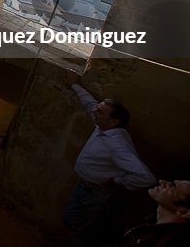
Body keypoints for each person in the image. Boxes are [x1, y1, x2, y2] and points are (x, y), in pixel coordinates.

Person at [63, 69, 156, 246]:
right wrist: (74, 84)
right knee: (70, 219)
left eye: (100, 111)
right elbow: (90, 104)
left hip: (97, 194)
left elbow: (146, 177)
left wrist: (117, 181)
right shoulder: (103, 125)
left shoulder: (118, 145)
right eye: (98, 109)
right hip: (84, 186)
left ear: (113, 121)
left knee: (84, 233)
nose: (95, 111)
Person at [119, 179, 190, 247]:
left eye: (172, 187)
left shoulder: (174, 243)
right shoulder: (153, 226)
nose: (162, 181)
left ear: (183, 212)